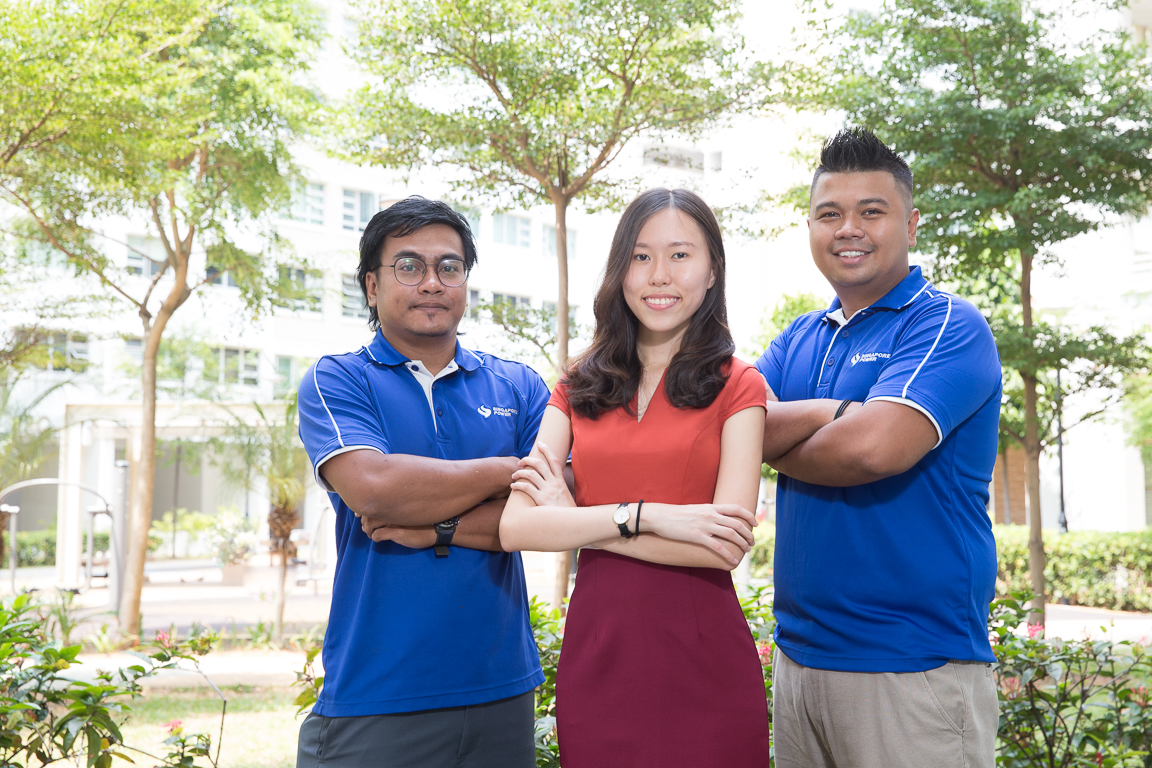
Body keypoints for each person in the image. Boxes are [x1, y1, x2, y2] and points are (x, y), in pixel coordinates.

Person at [500, 188, 772, 767]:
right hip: (598, 659)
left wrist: (575, 523)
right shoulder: (577, 383)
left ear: (711, 270)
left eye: (680, 255)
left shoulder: (740, 385)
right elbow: (517, 527)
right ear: (620, 269)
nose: (659, 276)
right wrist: (646, 516)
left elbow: (724, 546)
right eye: (641, 256)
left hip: (707, 667)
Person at [756, 128, 1001, 768]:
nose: (849, 229)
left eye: (872, 211)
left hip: (913, 668)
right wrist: (832, 413)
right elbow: (728, 427)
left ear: (912, 224)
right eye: (829, 214)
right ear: (810, 226)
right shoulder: (798, 339)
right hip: (798, 663)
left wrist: (776, 440)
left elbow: (873, 451)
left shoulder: (947, 323)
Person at [294, 197, 546, 768]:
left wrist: (440, 525)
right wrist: (509, 471)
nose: (431, 282)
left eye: (449, 267)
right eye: (408, 266)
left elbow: (558, 502)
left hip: (501, 690)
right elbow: (375, 490)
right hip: (377, 695)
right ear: (372, 287)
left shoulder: (518, 385)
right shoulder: (339, 379)